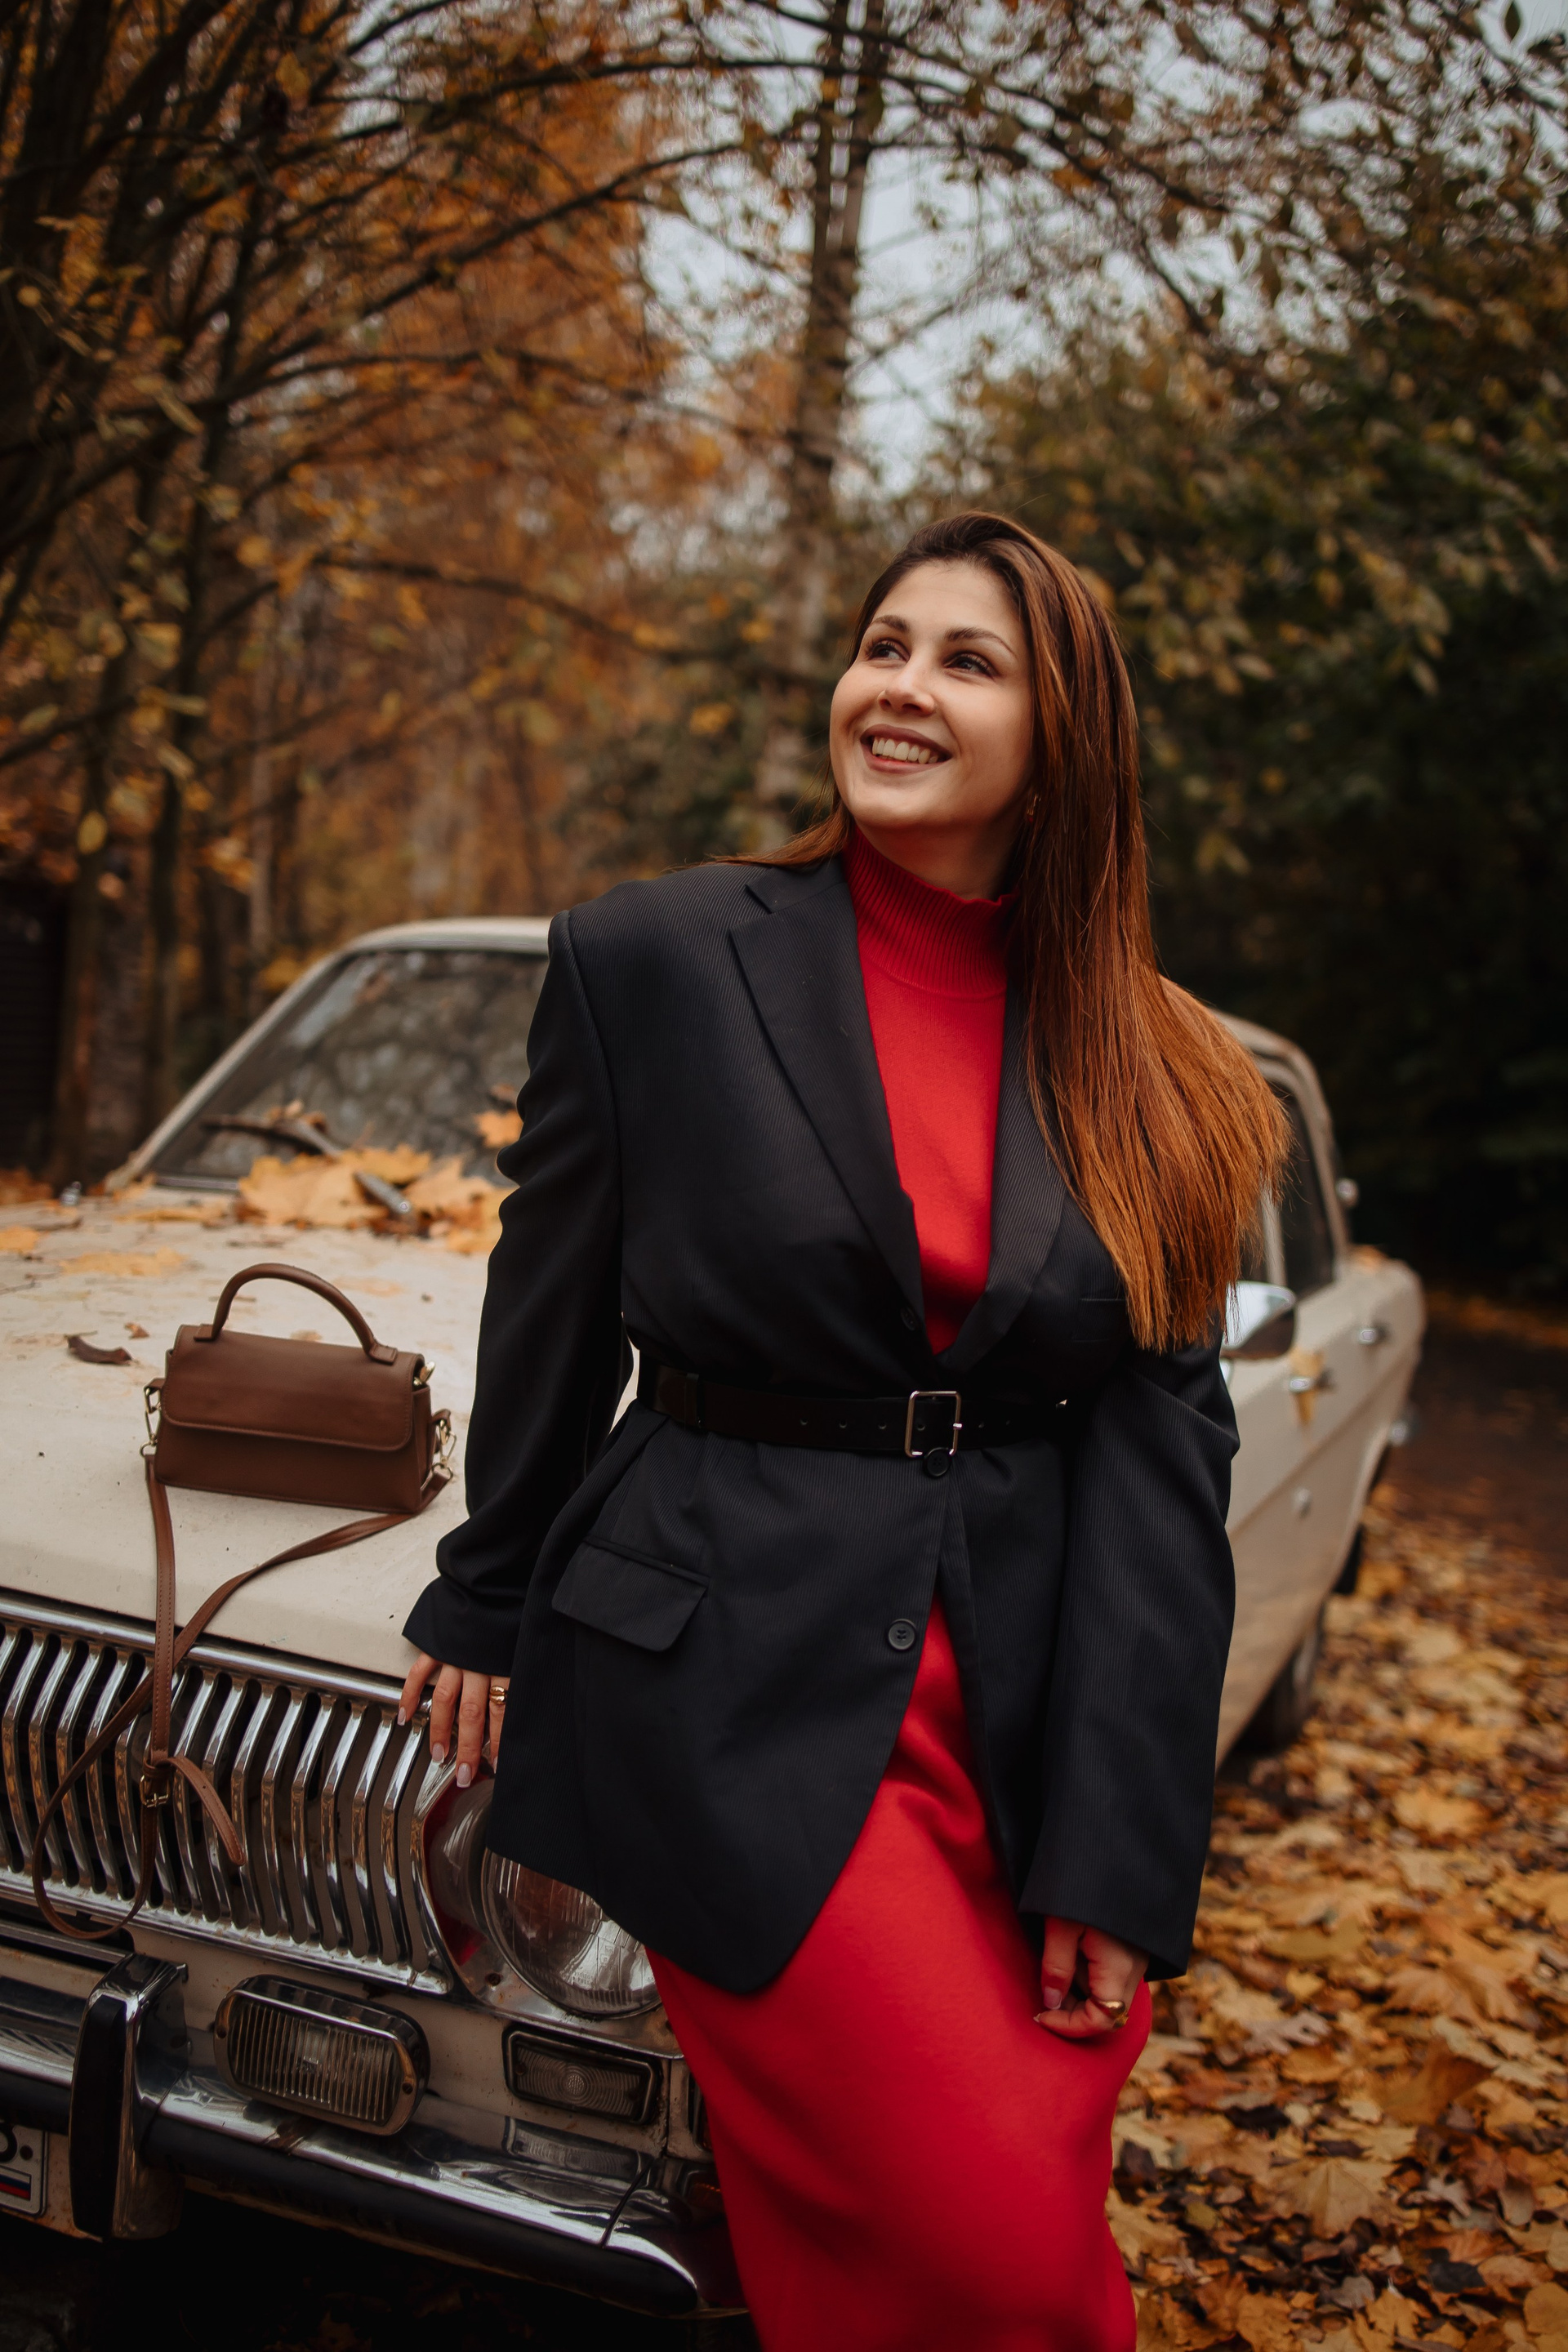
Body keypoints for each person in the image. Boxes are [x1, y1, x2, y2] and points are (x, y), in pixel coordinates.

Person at [400, 511, 1286, 2350]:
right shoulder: (654, 959)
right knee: (994, 2263)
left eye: (968, 661)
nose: (900, 687)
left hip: (1025, 1732)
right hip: (732, 1678)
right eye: (883, 644)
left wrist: (1121, 1844)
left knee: (992, 2235)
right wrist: (487, 1594)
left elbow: (1163, 1461)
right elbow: (550, 1298)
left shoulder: (1171, 1068)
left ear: (1066, 732)